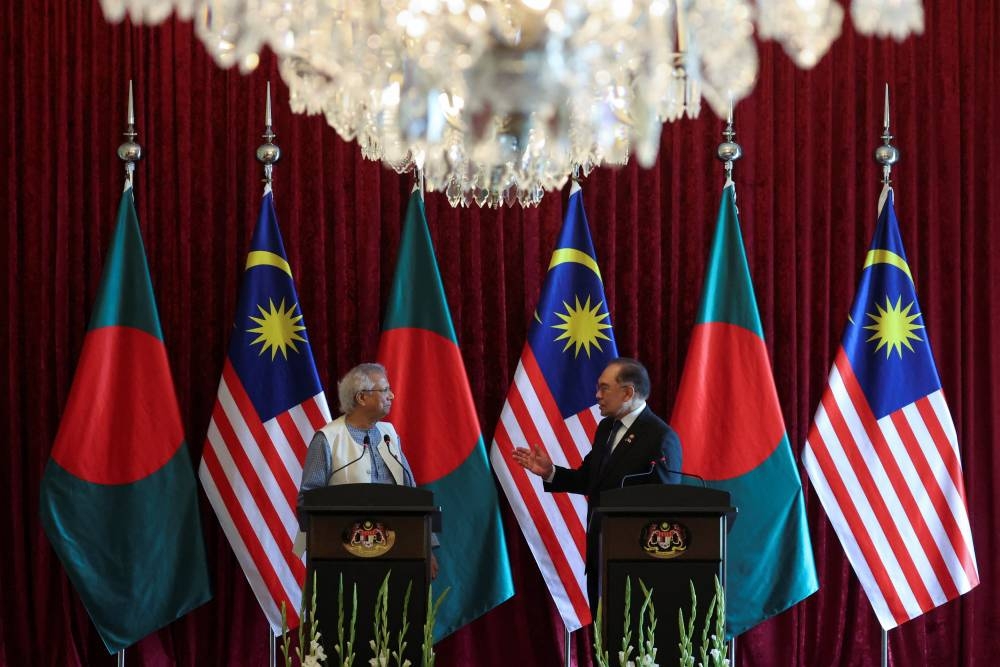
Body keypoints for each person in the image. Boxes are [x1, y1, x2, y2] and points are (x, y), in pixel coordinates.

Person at [512, 357, 681, 614]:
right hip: (600, 557)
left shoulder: (660, 437)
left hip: (636, 566)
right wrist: (550, 472)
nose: (597, 395)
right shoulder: (606, 428)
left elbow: (665, 507)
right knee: (601, 634)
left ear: (627, 393)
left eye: (604, 388)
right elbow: (590, 480)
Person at [296, 362, 438, 578]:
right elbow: (307, 500)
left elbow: (412, 495)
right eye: (385, 390)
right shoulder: (328, 439)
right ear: (362, 397)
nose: (392, 396)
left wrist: (426, 548)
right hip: (342, 554)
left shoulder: (389, 434)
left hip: (397, 549)